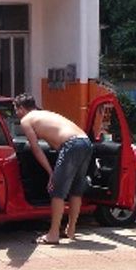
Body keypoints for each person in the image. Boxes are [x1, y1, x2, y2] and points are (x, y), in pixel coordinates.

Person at [14, 93, 93, 245]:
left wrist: (51, 173)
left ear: (22, 109)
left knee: (57, 191)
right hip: (85, 142)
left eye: (16, 110)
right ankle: (70, 230)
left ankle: (53, 234)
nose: (16, 114)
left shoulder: (26, 120)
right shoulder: (44, 113)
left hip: (70, 145)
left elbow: (36, 149)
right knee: (76, 190)